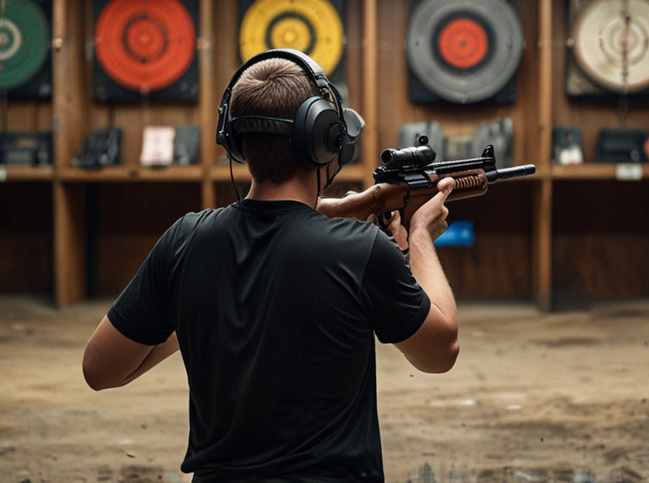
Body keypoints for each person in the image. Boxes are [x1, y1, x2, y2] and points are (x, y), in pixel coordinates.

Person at [82, 48, 459, 482]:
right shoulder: (362, 250)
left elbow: (100, 369)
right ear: (326, 139)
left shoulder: (185, 241)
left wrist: (198, 312)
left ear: (235, 141)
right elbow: (440, 352)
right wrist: (420, 239)